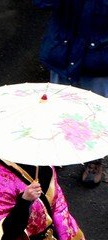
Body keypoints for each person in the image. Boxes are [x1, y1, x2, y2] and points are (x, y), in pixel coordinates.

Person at [34, 0, 108, 186]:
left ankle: (93, 159)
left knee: (96, 111)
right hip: (63, 51)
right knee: (58, 107)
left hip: (99, 57)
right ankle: (58, 152)